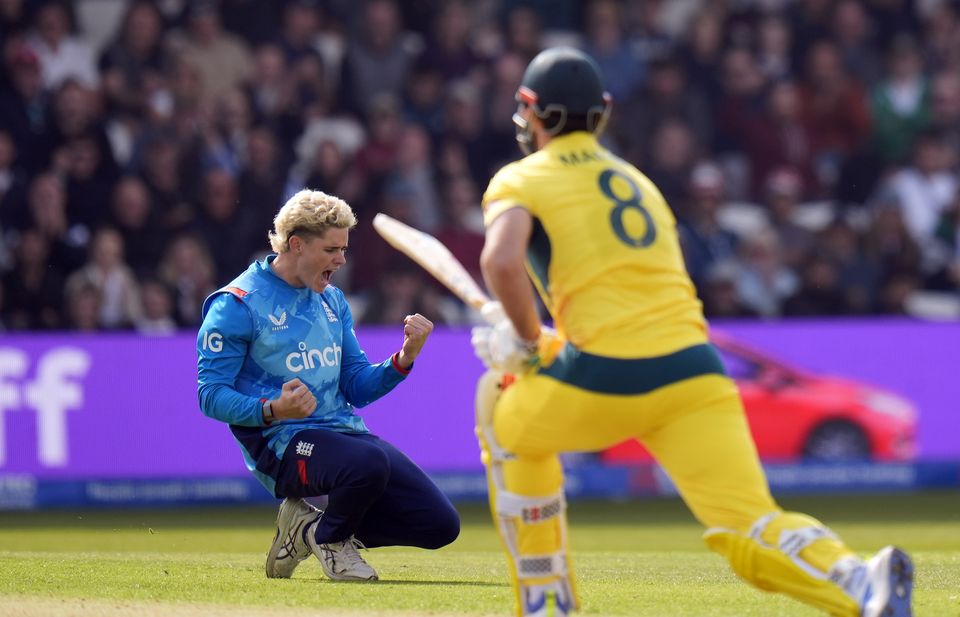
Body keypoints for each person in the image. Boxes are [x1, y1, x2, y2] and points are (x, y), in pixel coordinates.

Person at [469, 47, 913, 617]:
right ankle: (856, 578)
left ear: (530, 112)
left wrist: (527, 345)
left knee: (499, 403)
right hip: (696, 371)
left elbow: (501, 262)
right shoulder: (640, 182)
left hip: (609, 376)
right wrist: (550, 341)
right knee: (749, 522)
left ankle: (546, 600)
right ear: (602, 112)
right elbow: (633, 295)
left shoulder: (522, 176)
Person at [197, 189, 460, 582]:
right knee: (369, 464)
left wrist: (403, 358)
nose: (341, 260)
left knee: (440, 524)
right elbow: (210, 395)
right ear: (297, 245)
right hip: (280, 443)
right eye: (332, 249)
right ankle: (333, 544)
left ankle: (308, 531)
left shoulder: (332, 300)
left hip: (341, 433)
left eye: (344, 249)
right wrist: (272, 409)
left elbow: (355, 386)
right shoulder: (237, 304)